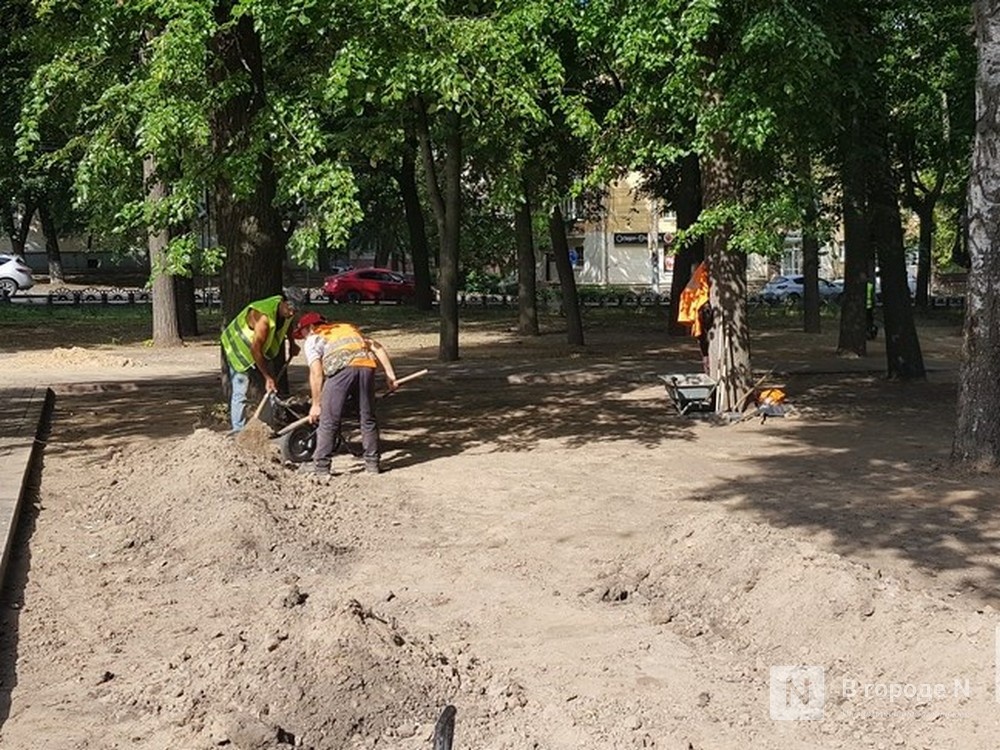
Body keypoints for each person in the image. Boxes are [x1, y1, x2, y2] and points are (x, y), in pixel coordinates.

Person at [293, 314, 398, 475]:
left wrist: (315, 405)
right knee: (367, 417)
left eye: (303, 333)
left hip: (342, 370)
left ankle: (321, 467)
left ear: (311, 327)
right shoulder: (345, 329)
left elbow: (316, 373)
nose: (303, 337)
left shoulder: (313, 338)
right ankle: (372, 464)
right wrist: (390, 376)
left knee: (328, 420)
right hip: (366, 367)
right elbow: (377, 347)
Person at [221, 287, 306, 431]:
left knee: (271, 388)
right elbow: (255, 350)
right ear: (283, 302)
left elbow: (288, 324)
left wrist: (292, 344)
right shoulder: (263, 318)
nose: (292, 313)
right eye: (290, 309)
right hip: (239, 349)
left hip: (258, 350)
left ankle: (269, 425)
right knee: (240, 391)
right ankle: (238, 431)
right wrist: (267, 376)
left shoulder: (288, 310)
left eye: (295, 311)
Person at [676, 261, 712, 374]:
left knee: (705, 348)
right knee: (704, 347)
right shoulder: (700, 278)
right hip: (701, 319)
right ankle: (708, 369)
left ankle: (708, 368)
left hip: (701, 317)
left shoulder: (699, 277)